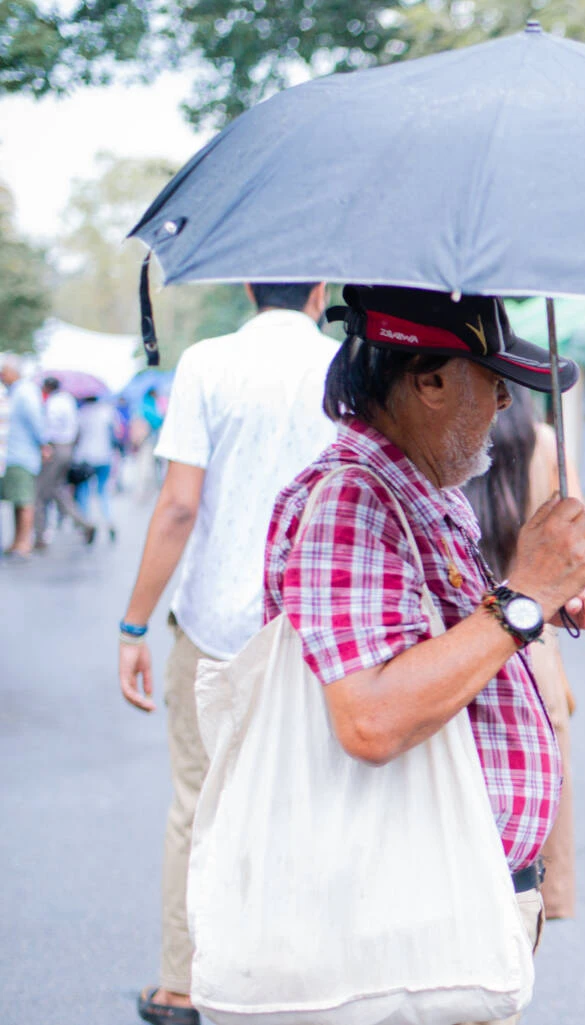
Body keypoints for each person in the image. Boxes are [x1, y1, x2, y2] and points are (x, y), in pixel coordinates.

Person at [263, 285, 585, 1025]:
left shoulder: (420, 486)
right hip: (409, 910)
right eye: (493, 384)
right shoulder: (354, 500)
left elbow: (454, 636)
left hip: (447, 896)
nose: (505, 408)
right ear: (429, 380)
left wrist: (542, 597)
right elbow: (371, 717)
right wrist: (523, 595)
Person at [117, 282, 339, 1025]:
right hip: (307, 628)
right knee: (301, 803)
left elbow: (179, 505)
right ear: (321, 290)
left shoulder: (207, 364)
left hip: (211, 621)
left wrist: (134, 624)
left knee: (196, 804)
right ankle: (296, 984)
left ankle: (181, 985)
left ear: (248, 286)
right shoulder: (346, 368)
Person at [464, 387, 585, 922]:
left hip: (458, 634)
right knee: (525, 865)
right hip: (531, 638)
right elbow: (582, 547)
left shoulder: (446, 441)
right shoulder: (545, 442)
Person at [34, 376, 95, 546]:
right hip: (67, 448)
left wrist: (44, 445)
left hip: (55, 448)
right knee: (57, 490)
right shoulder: (68, 400)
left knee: (40, 493)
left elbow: (49, 427)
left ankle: (39, 537)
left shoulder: (54, 403)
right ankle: (83, 524)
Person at [2, 357, 46, 557]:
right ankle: (17, 541)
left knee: (24, 500)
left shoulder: (25, 392)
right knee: (16, 500)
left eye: (4, 371)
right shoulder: (14, 391)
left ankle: (24, 543)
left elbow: (36, 421)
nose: (2, 374)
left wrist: (43, 443)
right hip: (12, 455)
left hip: (22, 455)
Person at [73, 395, 119, 541]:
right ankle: (108, 521)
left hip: (86, 457)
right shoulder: (107, 411)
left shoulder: (81, 413)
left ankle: (87, 523)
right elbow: (116, 432)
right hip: (105, 456)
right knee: (102, 491)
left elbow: (76, 436)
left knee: (84, 492)